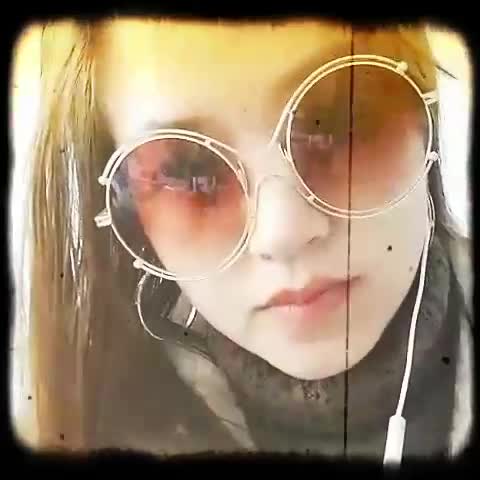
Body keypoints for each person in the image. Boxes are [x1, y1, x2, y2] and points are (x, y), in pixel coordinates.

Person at [11, 17, 473, 463]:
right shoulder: (71, 427)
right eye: (189, 173)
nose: (283, 233)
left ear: (424, 110)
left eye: (339, 124)